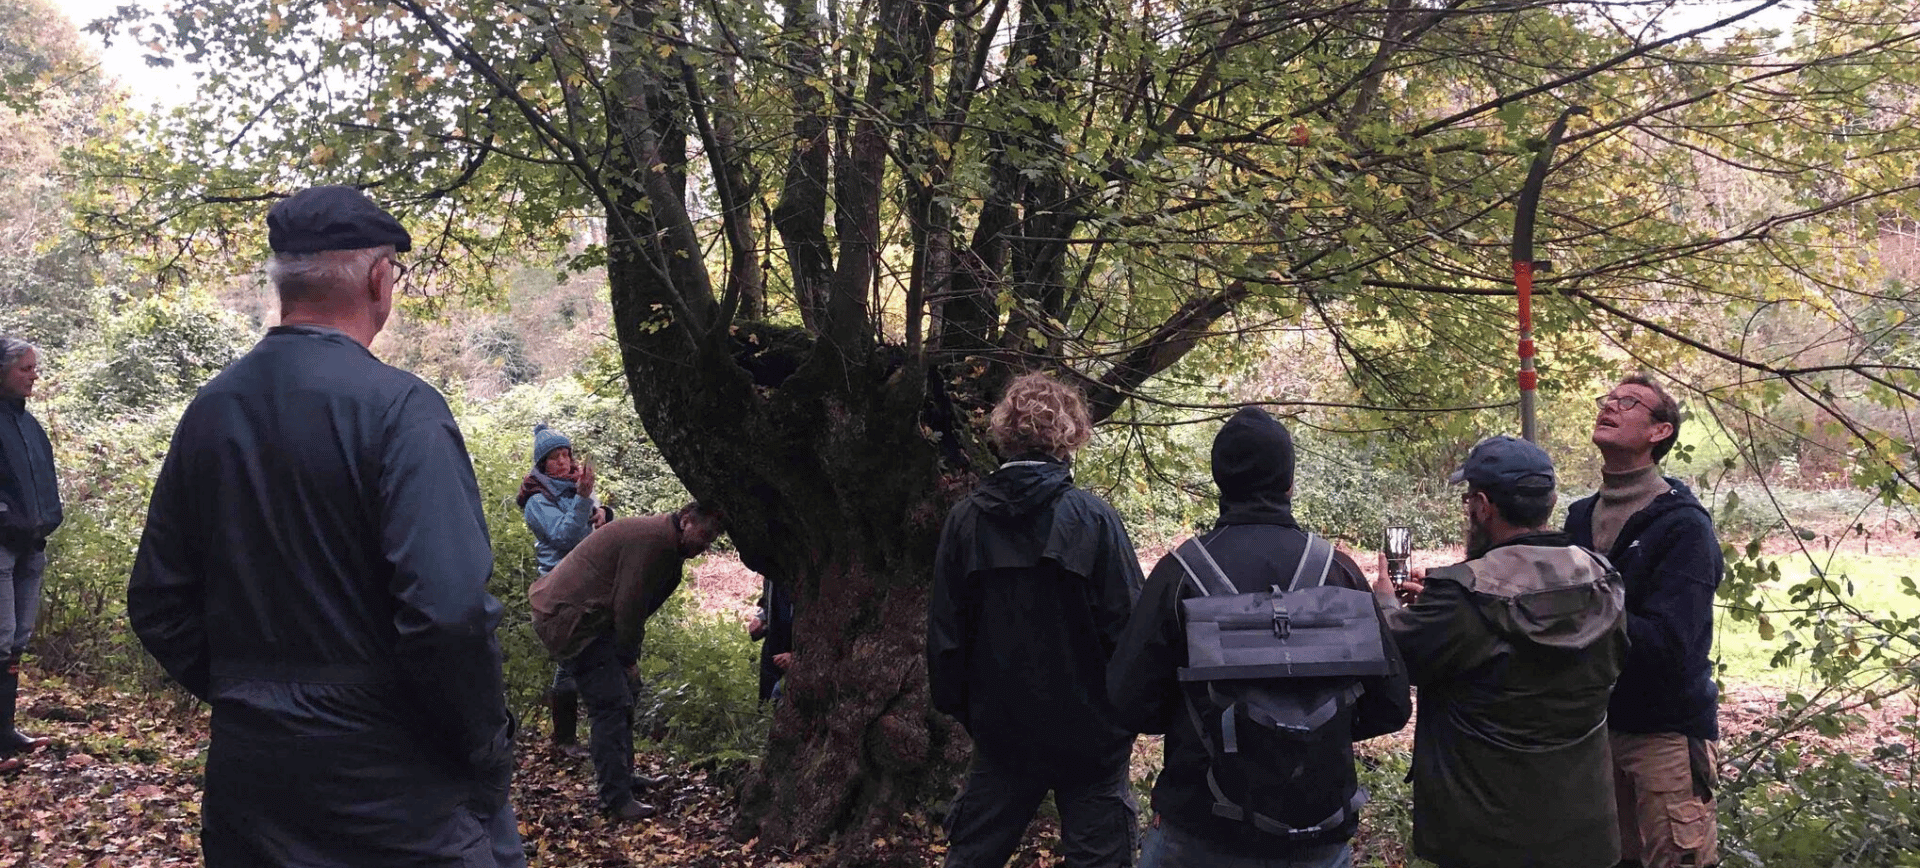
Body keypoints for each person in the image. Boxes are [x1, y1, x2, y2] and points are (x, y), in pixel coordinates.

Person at [127, 186, 523, 867]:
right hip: (395, 782)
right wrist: (483, 746)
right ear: (378, 279)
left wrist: (255, 695)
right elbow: (448, 613)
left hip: (253, 780)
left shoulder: (211, 410)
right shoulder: (403, 411)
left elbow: (159, 604)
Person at [1107, 406, 1411, 868]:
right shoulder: (1338, 571)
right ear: (1290, 483)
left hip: (1200, 830)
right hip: (1317, 836)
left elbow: (1129, 702)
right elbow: (1390, 706)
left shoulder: (1180, 574)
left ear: (1219, 481)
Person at [927, 373, 1145, 868]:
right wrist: (1123, 720)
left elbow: (945, 641)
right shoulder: (1094, 518)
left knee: (972, 857)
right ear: (1070, 435)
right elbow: (1132, 634)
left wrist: (973, 715)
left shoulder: (966, 521)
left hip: (1003, 733)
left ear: (1003, 434)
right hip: (1091, 737)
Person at [1381, 435, 1628, 868]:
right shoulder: (1602, 579)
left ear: (1482, 505)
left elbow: (1394, 654)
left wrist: (1384, 600)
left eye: (1467, 502)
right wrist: (1439, 609)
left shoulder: (1463, 594)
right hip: (1584, 831)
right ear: (1549, 502)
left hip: (1487, 838)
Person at [1565, 376, 1723, 868]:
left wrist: (1585, 609)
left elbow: (1672, 645)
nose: (1609, 406)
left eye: (1627, 403)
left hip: (1664, 735)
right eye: (1606, 399)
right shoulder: (1578, 518)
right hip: (1592, 729)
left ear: (1660, 432)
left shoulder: (1682, 527)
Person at [529, 504, 725, 822]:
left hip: (589, 618)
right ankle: (614, 798)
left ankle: (623, 778)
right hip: (571, 620)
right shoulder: (654, 541)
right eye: (705, 534)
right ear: (686, 521)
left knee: (626, 694)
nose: (706, 545)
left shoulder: (664, 541)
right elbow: (629, 606)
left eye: (713, 538)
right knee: (610, 704)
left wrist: (627, 661)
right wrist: (627, 658)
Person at [519, 424, 601, 750]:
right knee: (570, 657)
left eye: (567, 455)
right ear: (542, 465)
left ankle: (581, 739)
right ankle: (564, 739)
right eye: (555, 458)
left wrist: (604, 512)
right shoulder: (537, 501)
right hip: (561, 586)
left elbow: (592, 524)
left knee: (589, 653)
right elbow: (564, 538)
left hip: (590, 581)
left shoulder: (573, 489)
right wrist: (583, 499)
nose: (564, 463)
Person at [0, 337, 59, 772]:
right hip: (2, 546)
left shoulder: (29, 425)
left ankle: (6, 731)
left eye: (34, 367)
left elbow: (43, 480)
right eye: (25, 367)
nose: (33, 374)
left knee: (18, 640)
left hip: (31, 547)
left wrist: (49, 517)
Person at [747, 575, 793, 704]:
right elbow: (768, 600)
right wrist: (761, 618)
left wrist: (796, 654)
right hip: (773, 644)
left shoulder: (804, 569)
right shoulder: (771, 567)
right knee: (766, 702)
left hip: (794, 649)